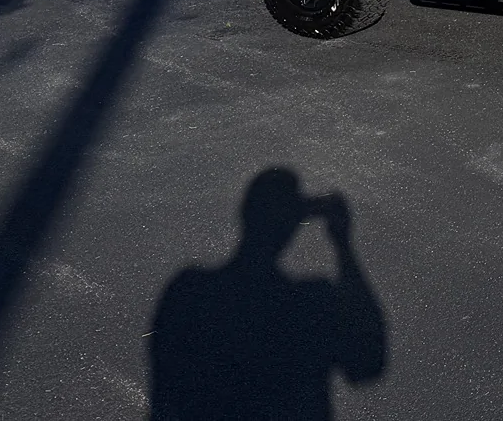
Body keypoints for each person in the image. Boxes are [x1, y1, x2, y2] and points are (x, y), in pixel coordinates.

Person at [148, 168, 386, 420]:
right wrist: (343, 246)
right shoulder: (308, 305)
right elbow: (367, 363)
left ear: (245, 213)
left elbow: (163, 394)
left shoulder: (191, 295)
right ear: (294, 225)